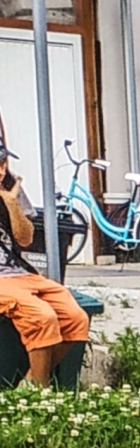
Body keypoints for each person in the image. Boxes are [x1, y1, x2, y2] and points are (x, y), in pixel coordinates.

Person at [0, 151, 87, 387]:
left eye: (3, 163)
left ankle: (30, 381)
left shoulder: (10, 191)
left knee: (75, 318)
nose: (1, 169)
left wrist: (10, 203)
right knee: (42, 316)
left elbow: (26, 239)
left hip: (19, 272)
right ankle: (41, 390)